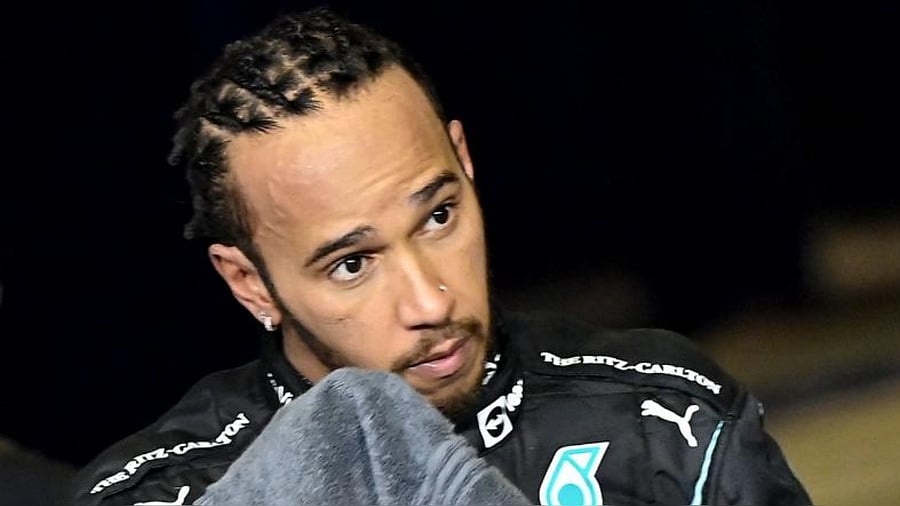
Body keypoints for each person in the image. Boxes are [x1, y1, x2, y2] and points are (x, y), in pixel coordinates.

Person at [70, 7, 811, 505]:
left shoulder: (663, 420)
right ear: (249, 282)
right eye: (351, 264)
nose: (432, 303)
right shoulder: (176, 490)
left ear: (464, 160)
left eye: (438, 216)